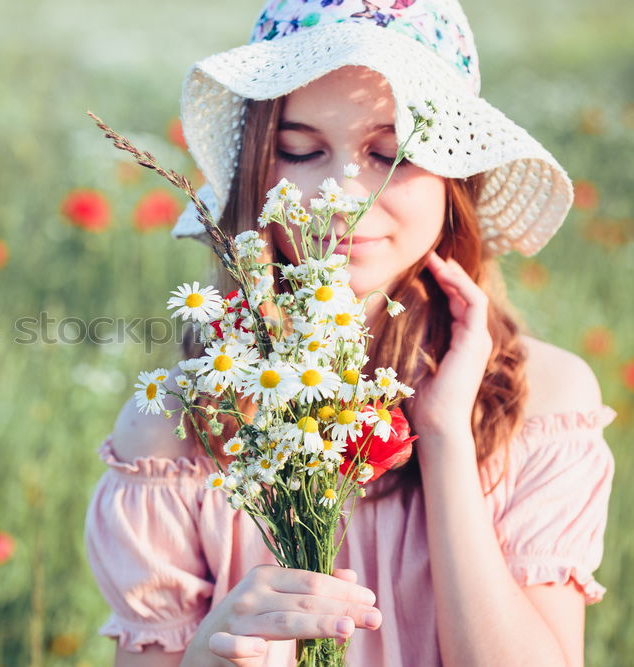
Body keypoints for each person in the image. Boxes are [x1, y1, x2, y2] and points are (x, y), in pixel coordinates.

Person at [84, 1, 616, 665]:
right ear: (257, 169)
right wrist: (210, 653)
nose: (345, 189)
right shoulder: (180, 426)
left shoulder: (540, 401)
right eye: (301, 150)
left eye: (390, 153)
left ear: (456, 178)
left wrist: (445, 436)